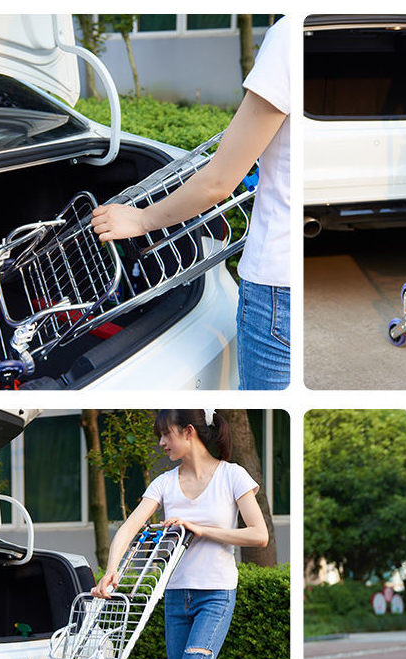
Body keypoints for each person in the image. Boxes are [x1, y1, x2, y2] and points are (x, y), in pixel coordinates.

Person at [92, 17, 290, 389]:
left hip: (280, 287)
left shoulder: (290, 34)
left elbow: (218, 182)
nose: (163, 443)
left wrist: (140, 220)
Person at [92, 409, 268, 659]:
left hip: (215, 597)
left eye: (165, 434)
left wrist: (200, 529)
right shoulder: (164, 484)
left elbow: (258, 535)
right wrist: (112, 569)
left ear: (189, 432)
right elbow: (128, 528)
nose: (161, 443)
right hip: (175, 599)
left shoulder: (232, 476)